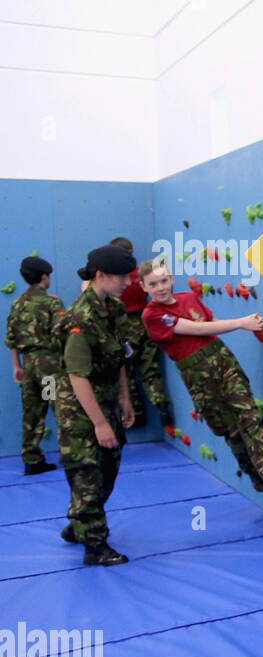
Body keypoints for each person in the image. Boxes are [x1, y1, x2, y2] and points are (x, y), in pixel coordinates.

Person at [138, 256, 263, 502]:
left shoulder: (189, 298)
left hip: (222, 359)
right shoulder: (151, 315)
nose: (160, 288)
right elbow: (197, 329)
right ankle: (254, 472)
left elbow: (209, 322)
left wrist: (243, 323)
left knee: (248, 415)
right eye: (152, 284)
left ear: (171, 279)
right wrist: (241, 323)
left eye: (163, 281)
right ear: (143, 287)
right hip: (197, 374)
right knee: (228, 428)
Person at [55, 245, 138, 565]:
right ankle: (95, 546)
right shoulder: (81, 317)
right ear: (101, 276)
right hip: (80, 409)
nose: (127, 283)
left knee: (108, 470)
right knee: (87, 472)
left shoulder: (112, 309)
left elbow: (119, 356)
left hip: (106, 399)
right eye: (121, 278)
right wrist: (99, 423)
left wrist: (124, 397)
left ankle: (80, 522)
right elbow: (77, 376)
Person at [5, 255, 63, 475]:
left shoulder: (17, 303)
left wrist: (16, 366)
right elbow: (60, 334)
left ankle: (31, 459)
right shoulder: (52, 302)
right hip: (48, 366)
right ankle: (69, 455)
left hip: (27, 366)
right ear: (44, 277)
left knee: (32, 413)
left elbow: (11, 338)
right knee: (59, 408)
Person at [108, 237, 173, 429]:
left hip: (124, 327)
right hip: (147, 323)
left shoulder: (115, 280)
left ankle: (135, 414)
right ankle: (160, 403)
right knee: (150, 369)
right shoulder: (140, 277)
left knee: (126, 373)